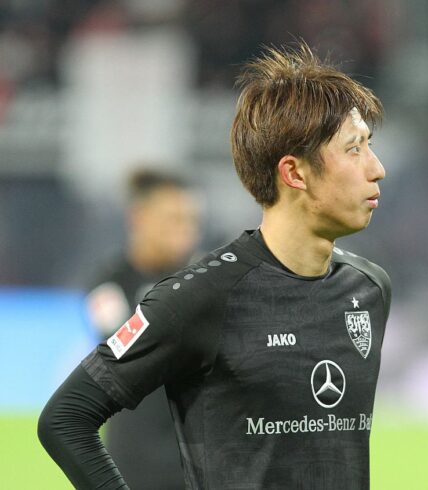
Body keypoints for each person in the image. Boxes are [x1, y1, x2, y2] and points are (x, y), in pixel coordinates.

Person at [38, 42, 390, 490]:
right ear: (295, 173)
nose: (377, 168)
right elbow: (66, 418)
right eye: (354, 149)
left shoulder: (369, 288)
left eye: (369, 146)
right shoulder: (199, 297)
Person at [84, 168, 200, 489]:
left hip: (195, 461)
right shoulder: (109, 283)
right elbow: (123, 351)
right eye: (173, 220)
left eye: (191, 221)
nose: (186, 231)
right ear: (139, 219)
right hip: (132, 463)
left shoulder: (203, 280)